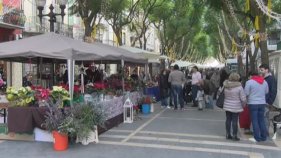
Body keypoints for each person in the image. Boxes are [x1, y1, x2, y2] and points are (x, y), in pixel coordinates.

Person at [244, 71, 269, 142]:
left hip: (252, 103)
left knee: (254, 120)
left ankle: (257, 137)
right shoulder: (264, 82)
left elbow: (246, 93)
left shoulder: (249, 82)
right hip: (262, 103)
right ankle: (264, 137)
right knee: (261, 120)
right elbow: (266, 92)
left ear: (251, 76)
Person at [223, 73, 246, 141]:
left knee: (228, 119)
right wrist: (244, 104)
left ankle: (227, 134)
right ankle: (235, 135)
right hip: (236, 106)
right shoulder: (239, 87)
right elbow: (243, 98)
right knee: (235, 120)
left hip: (227, 105)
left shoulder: (226, 85)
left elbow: (221, 93)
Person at [259, 64, 277, 135]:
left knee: (264, 117)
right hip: (261, 101)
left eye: (262, 70)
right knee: (263, 117)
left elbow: (273, 91)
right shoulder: (262, 78)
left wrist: (269, 101)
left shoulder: (271, 79)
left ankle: (265, 132)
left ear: (266, 70)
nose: (260, 71)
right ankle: (263, 132)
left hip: (266, 101)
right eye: (260, 70)